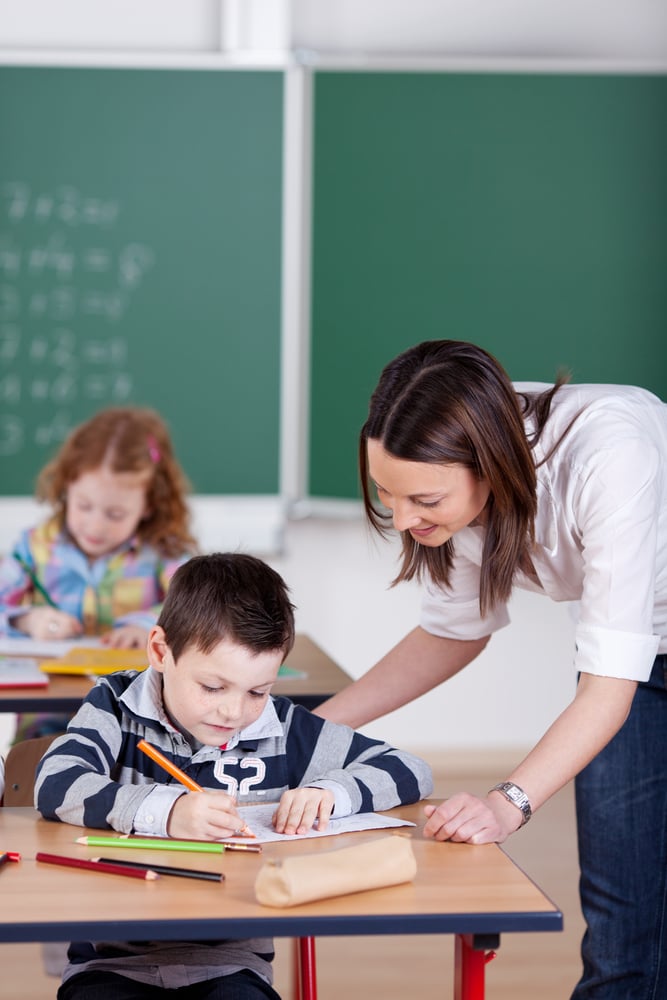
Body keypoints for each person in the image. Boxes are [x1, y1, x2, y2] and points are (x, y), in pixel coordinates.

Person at [314, 339, 667, 1000]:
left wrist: (508, 802)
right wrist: (312, 729)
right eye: (384, 493)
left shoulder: (608, 455)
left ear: (488, 464)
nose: (401, 518)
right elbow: (452, 634)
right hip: (638, 668)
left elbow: (607, 689)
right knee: (622, 935)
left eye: (422, 499)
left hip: (625, 676)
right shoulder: (460, 467)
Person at [35, 552, 433, 1000]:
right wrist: (165, 811)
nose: (234, 711)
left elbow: (408, 769)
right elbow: (55, 782)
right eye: (212, 687)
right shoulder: (114, 704)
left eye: (257, 691)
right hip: (109, 962)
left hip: (230, 966)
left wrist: (331, 791)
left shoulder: (281, 728)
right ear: (161, 651)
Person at [0, 405, 198, 740]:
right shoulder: (34, 548)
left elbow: (199, 607)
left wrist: (147, 623)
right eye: (84, 506)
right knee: (37, 770)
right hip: (47, 720)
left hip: (135, 722)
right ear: (66, 488)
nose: (94, 525)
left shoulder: (164, 553)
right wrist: (26, 620)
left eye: (115, 514)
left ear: (149, 505)